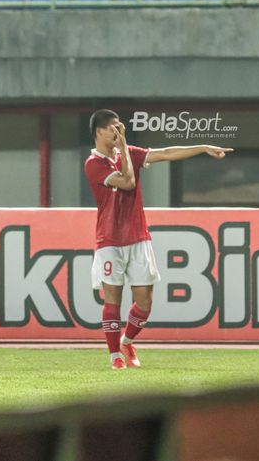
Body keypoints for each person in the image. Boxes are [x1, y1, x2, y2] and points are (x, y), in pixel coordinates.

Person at [84, 109, 233, 370]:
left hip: (138, 237)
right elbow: (128, 182)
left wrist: (203, 147)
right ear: (100, 131)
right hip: (109, 240)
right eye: (114, 127)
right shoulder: (93, 164)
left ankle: (127, 342)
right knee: (113, 301)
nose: (120, 131)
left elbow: (166, 153)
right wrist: (126, 152)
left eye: (120, 126)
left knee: (145, 301)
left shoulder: (127, 152)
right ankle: (114, 357)